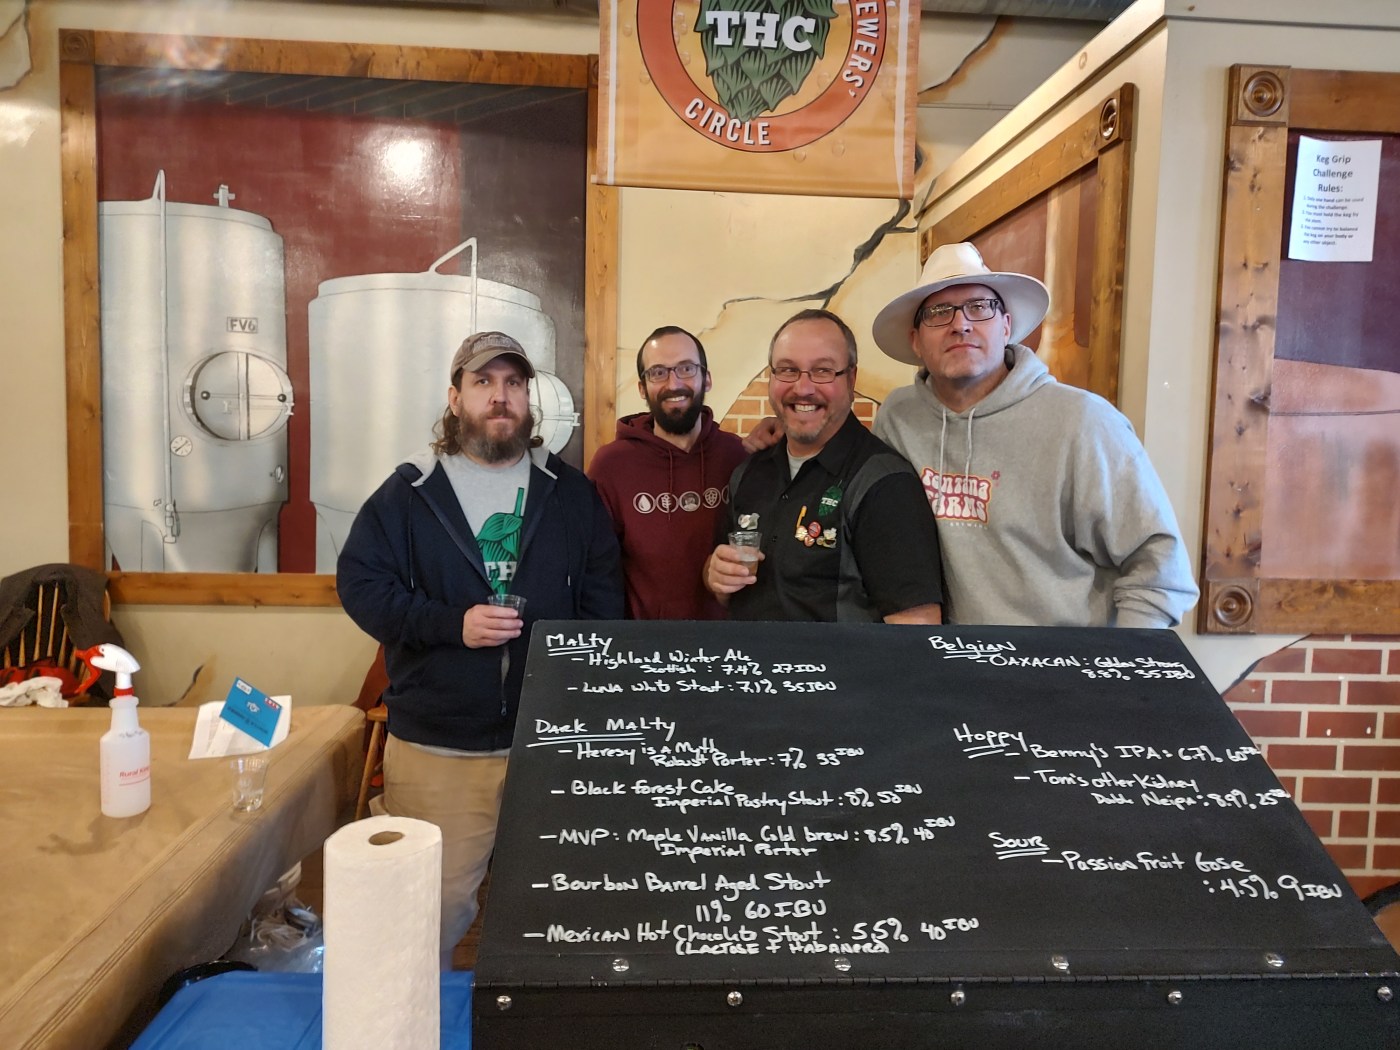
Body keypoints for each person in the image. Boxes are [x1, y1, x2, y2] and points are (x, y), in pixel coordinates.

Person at [336, 330, 623, 967]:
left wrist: (578, 710)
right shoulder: (410, 492)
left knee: (555, 916)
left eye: (514, 383)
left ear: (529, 398)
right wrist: (449, 625)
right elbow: (361, 587)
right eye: (483, 382)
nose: (500, 396)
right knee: (426, 916)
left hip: (548, 746)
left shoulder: (570, 493)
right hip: (441, 746)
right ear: (455, 398)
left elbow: (603, 605)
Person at [868, 240, 1198, 627]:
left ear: (1006, 325)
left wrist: (1121, 659)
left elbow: (1158, 567)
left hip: (1062, 659)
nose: (961, 324)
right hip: (949, 658)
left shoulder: (1084, 422)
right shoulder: (898, 418)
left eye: (980, 307)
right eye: (939, 313)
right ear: (916, 340)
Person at [704, 309, 943, 624]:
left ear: (851, 379)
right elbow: (723, 583)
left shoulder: (884, 484)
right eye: (787, 370)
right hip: (746, 655)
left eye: (823, 371)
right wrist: (716, 575)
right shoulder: (748, 472)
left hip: (838, 659)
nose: (803, 388)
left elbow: (916, 625)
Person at [588, 326, 747, 619]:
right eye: (658, 372)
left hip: (727, 639)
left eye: (686, 369)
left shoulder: (737, 455)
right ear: (642, 388)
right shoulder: (612, 465)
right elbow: (596, 570)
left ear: (707, 379)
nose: (674, 383)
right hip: (644, 641)